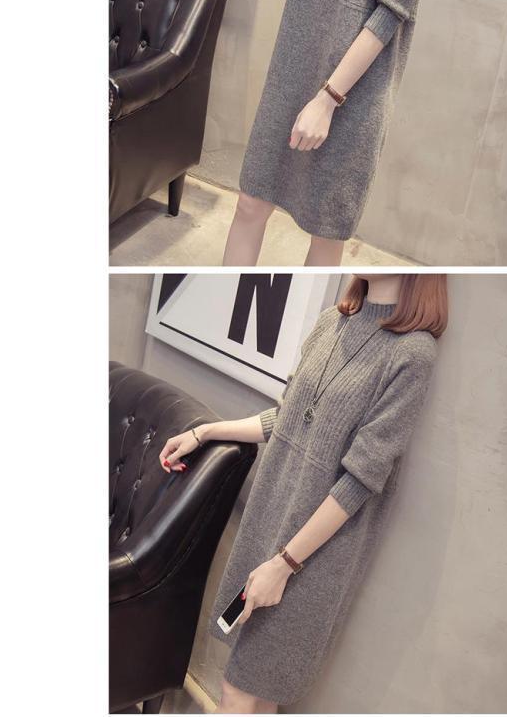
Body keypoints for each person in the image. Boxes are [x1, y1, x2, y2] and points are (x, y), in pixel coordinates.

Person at [158, 273, 448, 711]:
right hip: (268, 522)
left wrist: (285, 564)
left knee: (241, 689)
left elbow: (362, 478)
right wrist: (205, 432)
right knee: (253, 695)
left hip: (314, 556)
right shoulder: (331, 321)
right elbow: (287, 416)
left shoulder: (413, 353)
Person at [222, 0, 451, 267]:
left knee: (325, 230)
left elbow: (391, 10)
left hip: (353, 92)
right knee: (250, 204)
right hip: (294, 70)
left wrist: (328, 99)